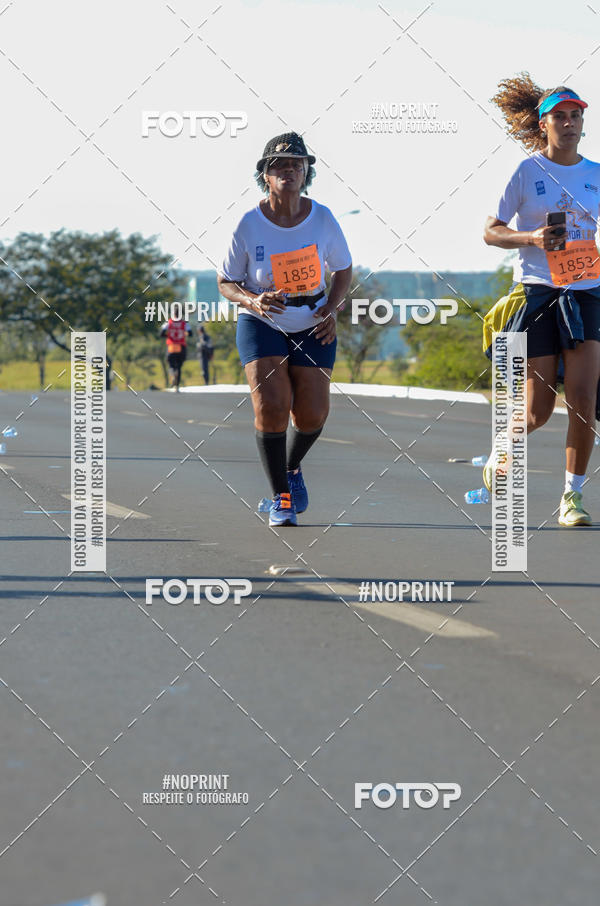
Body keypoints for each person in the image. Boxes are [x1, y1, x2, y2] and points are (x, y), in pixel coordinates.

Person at [217, 131, 353, 526]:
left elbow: (343, 270)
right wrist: (252, 300)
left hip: (312, 319)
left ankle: (291, 467)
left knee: (311, 415)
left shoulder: (322, 218)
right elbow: (226, 281)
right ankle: (281, 498)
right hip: (263, 319)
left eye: (297, 164)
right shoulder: (248, 223)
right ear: (265, 174)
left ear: (307, 172)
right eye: (279, 165)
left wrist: (332, 307)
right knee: (273, 407)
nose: (289, 170)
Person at [483, 74, 600, 526]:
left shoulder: (594, 175)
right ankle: (503, 446)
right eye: (560, 117)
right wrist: (530, 236)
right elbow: (490, 231)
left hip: (587, 291)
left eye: (576, 117)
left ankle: (572, 497)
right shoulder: (527, 172)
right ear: (544, 124)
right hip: (539, 292)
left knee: (584, 400)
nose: (569, 124)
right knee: (538, 410)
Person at [160, 316, 193, 391]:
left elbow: (161, 333)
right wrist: (184, 334)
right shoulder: (184, 323)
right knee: (179, 367)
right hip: (181, 346)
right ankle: (177, 386)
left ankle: (172, 375)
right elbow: (190, 333)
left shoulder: (169, 322)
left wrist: (168, 336)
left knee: (171, 365)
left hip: (171, 346)